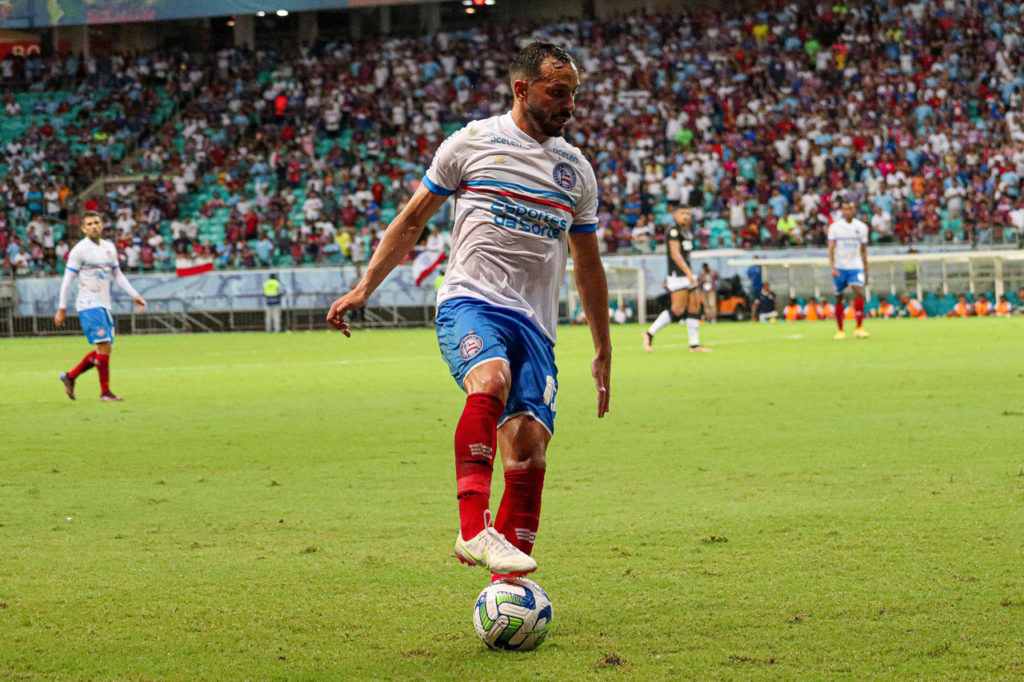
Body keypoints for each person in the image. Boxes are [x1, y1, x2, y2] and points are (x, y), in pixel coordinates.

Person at [325, 42, 611, 578]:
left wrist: (603, 348)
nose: (569, 104)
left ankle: (507, 589)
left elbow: (588, 266)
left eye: (574, 93)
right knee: (491, 378)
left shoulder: (577, 172)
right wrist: (365, 287)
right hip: (471, 300)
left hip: (537, 325)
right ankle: (473, 528)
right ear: (521, 89)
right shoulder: (472, 143)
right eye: (558, 92)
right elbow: (412, 220)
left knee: (528, 450)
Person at [55, 211, 147, 401]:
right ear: (83, 229)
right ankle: (105, 392)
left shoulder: (109, 248)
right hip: (88, 304)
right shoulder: (79, 251)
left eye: (96, 222)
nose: (94, 226)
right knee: (104, 346)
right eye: (89, 224)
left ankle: (70, 376)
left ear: (102, 224)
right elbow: (67, 280)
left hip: (104, 304)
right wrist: (62, 308)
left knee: (104, 349)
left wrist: (135, 295)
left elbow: (118, 275)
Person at [642, 207, 711, 352]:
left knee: (694, 307)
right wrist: (689, 274)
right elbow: (675, 254)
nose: (685, 216)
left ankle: (694, 344)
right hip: (678, 275)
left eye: (688, 214)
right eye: (682, 213)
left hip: (687, 274)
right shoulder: (673, 231)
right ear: (675, 215)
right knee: (677, 310)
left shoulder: (687, 232)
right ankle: (649, 334)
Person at [828, 200, 869, 339]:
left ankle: (859, 327)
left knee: (859, 292)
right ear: (842, 210)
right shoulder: (835, 227)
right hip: (840, 267)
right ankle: (840, 330)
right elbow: (831, 248)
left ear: (854, 210)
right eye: (845, 209)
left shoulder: (862, 227)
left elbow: (864, 251)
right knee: (839, 297)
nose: (848, 211)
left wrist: (865, 268)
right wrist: (832, 266)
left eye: (850, 208)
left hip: (856, 266)